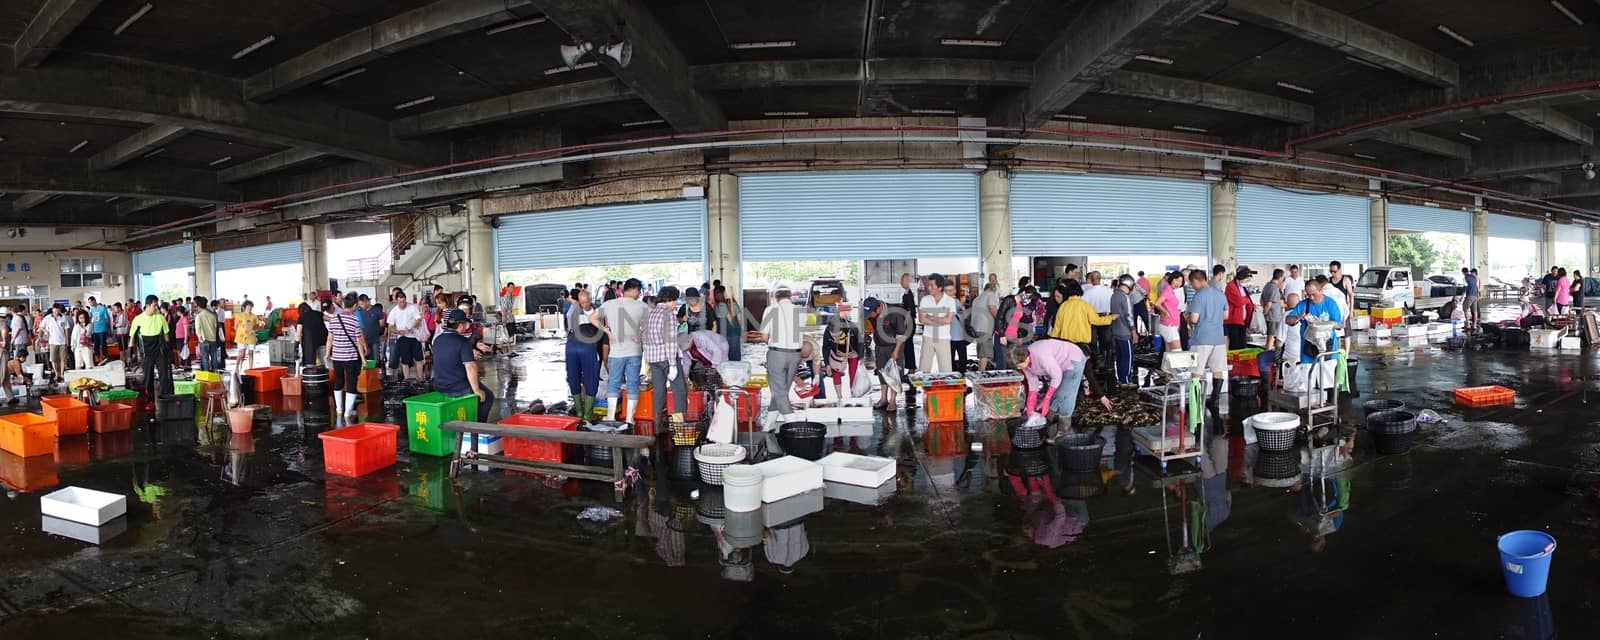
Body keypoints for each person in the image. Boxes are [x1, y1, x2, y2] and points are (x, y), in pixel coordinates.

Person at [1008, 340, 1114, 440]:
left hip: (1073, 360)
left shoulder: (1042, 357)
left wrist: (1046, 399)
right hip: (1059, 365)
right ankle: (1046, 422)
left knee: (1066, 395)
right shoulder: (1025, 364)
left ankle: (1063, 431)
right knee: (1057, 394)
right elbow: (1033, 384)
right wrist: (1030, 407)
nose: (1019, 368)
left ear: (1025, 358)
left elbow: (1057, 376)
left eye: (1019, 365)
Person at [596, 278, 649, 424]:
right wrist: (641, 334)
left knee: (614, 383)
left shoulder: (609, 304)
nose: (639, 294)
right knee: (632, 384)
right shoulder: (642, 306)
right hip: (635, 351)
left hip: (616, 352)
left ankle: (611, 416)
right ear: (633, 290)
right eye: (638, 291)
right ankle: (630, 419)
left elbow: (592, 318)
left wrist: (607, 331)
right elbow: (650, 324)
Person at [432, 308, 494, 422]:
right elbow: (471, 367)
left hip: (438, 385)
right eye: (465, 324)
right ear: (460, 325)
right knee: (488, 396)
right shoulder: (462, 342)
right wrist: (476, 390)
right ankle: (478, 428)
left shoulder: (437, 340)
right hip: (457, 388)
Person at [757, 286, 803, 421]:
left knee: (779, 392)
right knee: (781, 391)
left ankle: (794, 425)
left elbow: (764, 336)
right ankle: (769, 425)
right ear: (790, 296)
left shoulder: (771, 310)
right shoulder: (799, 311)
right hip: (795, 355)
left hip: (777, 354)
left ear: (776, 298)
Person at [643, 286, 688, 425]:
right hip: (667, 359)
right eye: (675, 301)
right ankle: (679, 425)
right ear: (670, 300)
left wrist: (648, 358)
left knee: (659, 391)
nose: (675, 304)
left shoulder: (650, 313)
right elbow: (670, 342)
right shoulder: (668, 314)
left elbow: (644, 337)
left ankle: (658, 424)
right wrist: (673, 365)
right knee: (679, 391)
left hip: (653, 359)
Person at [1185, 269, 1229, 409]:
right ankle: (1214, 400)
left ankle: (1195, 402)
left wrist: (1187, 318)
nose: (1192, 287)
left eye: (1192, 284)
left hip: (1202, 338)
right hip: (1218, 338)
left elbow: (1194, 318)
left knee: (1197, 372)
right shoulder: (1220, 295)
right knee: (1218, 370)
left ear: (1196, 280)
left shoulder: (1199, 296)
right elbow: (1226, 316)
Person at [326, 294, 368, 422]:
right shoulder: (354, 320)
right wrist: (363, 359)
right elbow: (358, 341)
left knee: (338, 381)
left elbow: (330, 338)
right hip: (350, 357)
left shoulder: (334, 319)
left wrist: (328, 353)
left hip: (337, 357)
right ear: (355, 305)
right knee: (351, 382)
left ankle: (339, 408)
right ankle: (348, 412)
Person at [1286, 280, 1344, 367]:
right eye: (1308, 295)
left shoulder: (1330, 304)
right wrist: (1297, 317)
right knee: (1308, 376)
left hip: (1327, 346)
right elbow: (1288, 320)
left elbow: (1339, 325)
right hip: (1308, 347)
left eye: (1314, 294)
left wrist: (1323, 324)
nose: (1311, 298)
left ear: (1320, 290)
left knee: (1327, 376)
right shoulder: (1303, 305)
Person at [564, 288, 602, 419]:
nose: (584, 304)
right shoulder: (598, 311)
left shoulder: (573, 311)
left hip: (571, 344)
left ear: (590, 299)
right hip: (585, 346)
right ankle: (585, 413)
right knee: (590, 377)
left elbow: (568, 327)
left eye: (586, 302)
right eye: (582, 302)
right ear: (579, 302)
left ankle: (581, 412)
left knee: (574, 376)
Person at [129, 295, 174, 405]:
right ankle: (150, 401)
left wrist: (168, 350)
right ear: (148, 305)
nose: (156, 308)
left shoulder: (160, 317)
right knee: (148, 379)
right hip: (146, 354)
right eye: (154, 305)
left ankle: (165, 399)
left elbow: (166, 336)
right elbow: (132, 340)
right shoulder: (138, 319)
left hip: (160, 353)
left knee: (164, 377)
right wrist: (133, 355)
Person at [865, 298, 908, 412]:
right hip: (880, 346)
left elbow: (901, 334)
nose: (870, 316)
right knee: (882, 372)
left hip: (894, 347)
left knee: (894, 374)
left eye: (871, 313)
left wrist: (896, 351)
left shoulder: (895, 313)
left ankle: (893, 401)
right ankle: (883, 398)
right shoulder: (871, 312)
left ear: (879, 308)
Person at [917, 275, 960, 373]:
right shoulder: (925, 300)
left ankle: (945, 388)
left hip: (943, 338)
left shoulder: (950, 301)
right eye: (929, 285)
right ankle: (922, 388)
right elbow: (922, 319)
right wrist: (941, 321)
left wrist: (930, 317)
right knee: (923, 370)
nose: (929, 287)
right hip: (928, 337)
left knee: (946, 370)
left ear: (940, 288)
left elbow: (948, 320)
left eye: (932, 285)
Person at [822, 310, 863, 401]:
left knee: (853, 372)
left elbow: (860, 342)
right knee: (836, 370)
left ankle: (854, 394)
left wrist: (861, 357)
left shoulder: (852, 327)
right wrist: (827, 364)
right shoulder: (828, 330)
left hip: (852, 350)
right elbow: (825, 347)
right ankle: (839, 397)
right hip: (837, 352)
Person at [386, 292, 427, 382]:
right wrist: (399, 331)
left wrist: (412, 327)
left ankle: (420, 378)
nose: (403, 304)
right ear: (396, 301)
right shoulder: (394, 311)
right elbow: (391, 327)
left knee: (419, 358)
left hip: (415, 336)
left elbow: (418, 319)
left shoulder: (412, 307)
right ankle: (407, 379)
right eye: (400, 302)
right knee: (405, 360)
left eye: (404, 301)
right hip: (402, 337)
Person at [1109, 275, 1139, 385]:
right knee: (1128, 357)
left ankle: (1121, 379)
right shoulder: (1125, 297)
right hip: (1125, 332)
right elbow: (1129, 316)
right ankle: (1126, 381)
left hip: (1116, 331)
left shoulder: (1114, 295)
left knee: (1120, 357)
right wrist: (1133, 331)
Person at [971, 282, 1000, 371]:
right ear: (993, 289)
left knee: (981, 352)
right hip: (985, 327)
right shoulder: (990, 295)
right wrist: (999, 319)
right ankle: (982, 374)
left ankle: (980, 371)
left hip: (976, 328)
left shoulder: (977, 298)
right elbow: (992, 307)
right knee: (985, 353)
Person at [1225, 267, 1257, 349]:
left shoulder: (1243, 288)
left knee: (1242, 345)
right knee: (1235, 345)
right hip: (1233, 321)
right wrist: (1247, 299)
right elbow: (1238, 302)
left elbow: (1247, 302)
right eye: (1246, 280)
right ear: (1240, 278)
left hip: (1243, 321)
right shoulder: (1231, 286)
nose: (1247, 282)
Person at [231, 300, 261, 386]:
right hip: (241, 337)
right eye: (248, 307)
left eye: (251, 307)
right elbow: (235, 326)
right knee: (241, 354)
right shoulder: (239, 315)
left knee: (251, 352)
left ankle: (250, 368)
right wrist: (242, 331)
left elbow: (256, 326)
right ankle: (237, 367)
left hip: (251, 336)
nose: (250, 308)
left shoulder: (254, 316)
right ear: (244, 307)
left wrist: (252, 329)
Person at [1154, 271, 1184, 352]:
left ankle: (1164, 365)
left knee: (1169, 353)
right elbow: (1157, 303)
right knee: (1177, 352)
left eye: (1181, 281)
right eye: (1177, 280)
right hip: (1169, 325)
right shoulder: (1167, 290)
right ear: (1172, 279)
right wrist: (1165, 312)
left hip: (1171, 325)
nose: (1179, 283)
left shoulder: (1172, 291)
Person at [714, 285, 743, 361]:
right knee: (734, 356)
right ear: (723, 294)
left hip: (721, 334)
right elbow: (739, 319)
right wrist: (739, 329)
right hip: (732, 333)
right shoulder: (731, 305)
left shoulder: (716, 306)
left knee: (725, 356)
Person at [296, 301, 328, 367]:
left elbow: (298, 333)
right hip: (323, 340)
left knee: (310, 365)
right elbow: (330, 319)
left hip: (310, 343)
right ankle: (328, 375)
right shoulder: (318, 313)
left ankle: (312, 376)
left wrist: (296, 345)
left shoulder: (302, 317)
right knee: (325, 362)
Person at [1261, 269, 1286, 350]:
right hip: (1274, 316)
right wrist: (1266, 312)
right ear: (1280, 277)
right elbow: (1269, 303)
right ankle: (1267, 355)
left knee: (1271, 337)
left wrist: (1265, 312)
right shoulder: (1274, 288)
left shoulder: (1267, 285)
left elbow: (1261, 300)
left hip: (1270, 316)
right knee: (1271, 338)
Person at [44, 305, 69, 382]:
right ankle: (56, 373)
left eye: (57, 311)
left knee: (63, 359)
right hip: (52, 342)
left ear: (60, 310)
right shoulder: (48, 318)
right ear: (52, 310)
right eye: (54, 311)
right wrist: (46, 331)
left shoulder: (63, 317)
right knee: (53, 359)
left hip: (62, 341)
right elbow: (41, 326)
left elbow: (66, 330)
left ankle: (61, 374)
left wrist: (67, 340)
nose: (56, 313)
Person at [87, 296, 110, 364]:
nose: (90, 303)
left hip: (102, 329)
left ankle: (105, 357)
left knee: (103, 344)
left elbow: (107, 319)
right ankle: (97, 358)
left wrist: (108, 329)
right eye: (89, 302)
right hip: (95, 330)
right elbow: (91, 320)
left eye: (90, 302)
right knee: (96, 345)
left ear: (94, 301)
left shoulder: (102, 308)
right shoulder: (92, 309)